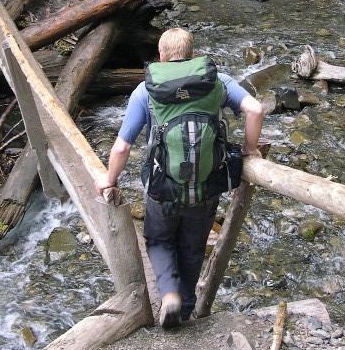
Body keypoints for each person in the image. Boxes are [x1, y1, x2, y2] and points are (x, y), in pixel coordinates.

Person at [95, 28, 264, 328]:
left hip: (162, 188)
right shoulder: (217, 81)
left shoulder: (145, 91)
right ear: (192, 54)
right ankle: (185, 309)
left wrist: (109, 180)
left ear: (161, 56)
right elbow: (255, 109)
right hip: (206, 187)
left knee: (159, 242)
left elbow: (122, 146)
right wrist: (250, 149)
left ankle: (169, 294)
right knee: (192, 247)